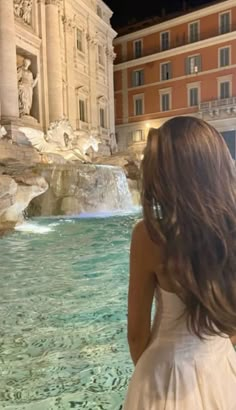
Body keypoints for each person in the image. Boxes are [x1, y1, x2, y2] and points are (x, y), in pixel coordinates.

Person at [123, 116, 236, 410]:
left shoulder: (149, 236)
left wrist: (150, 374)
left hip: (164, 373)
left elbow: (136, 334)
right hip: (222, 366)